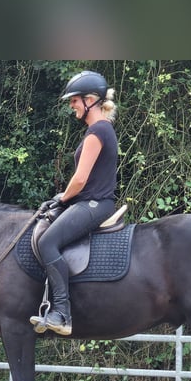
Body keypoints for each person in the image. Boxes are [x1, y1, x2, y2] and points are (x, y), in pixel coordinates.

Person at [29, 70, 119, 336]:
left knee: (47, 242)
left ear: (90, 100)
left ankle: (62, 313)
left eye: (75, 101)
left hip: (94, 203)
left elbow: (79, 180)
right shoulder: (101, 129)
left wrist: (61, 198)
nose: (72, 106)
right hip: (92, 202)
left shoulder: (97, 131)